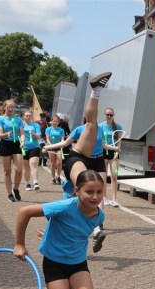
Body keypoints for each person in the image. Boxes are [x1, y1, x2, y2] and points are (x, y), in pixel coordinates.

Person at [12, 72, 112, 289]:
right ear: (77, 190)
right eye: (90, 193)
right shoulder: (68, 199)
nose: (95, 198)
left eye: (99, 193)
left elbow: (77, 229)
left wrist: (53, 231)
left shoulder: (99, 215)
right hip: (55, 264)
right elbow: (24, 212)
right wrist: (20, 244)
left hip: (77, 264)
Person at [44, 75, 113, 253]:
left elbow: (27, 212)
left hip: (74, 161)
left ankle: (96, 231)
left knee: (85, 186)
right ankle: (96, 90)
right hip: (82, 157)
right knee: (92, 125)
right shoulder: (85, 211)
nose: (95, 197)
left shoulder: (65, 209)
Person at [0, 100, 25, 202]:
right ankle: (9, 193)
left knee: (19, 170)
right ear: (4, 108)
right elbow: (0, 134)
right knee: (7, 171)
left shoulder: (18, 119)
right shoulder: (0, 119)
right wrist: (5, 134)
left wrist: (22, 141)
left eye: (12, 107)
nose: (10, 109)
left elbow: (22, 133)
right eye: (8, 107)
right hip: (5, 144)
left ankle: (16, 189)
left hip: (16, 144)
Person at [99, 108, 122, 207]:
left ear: (113, 115)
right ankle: (104, 197)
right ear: (104, 114)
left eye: (111, 115)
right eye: (107, 114)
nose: (109, 116)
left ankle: (114, 199)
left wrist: (117, 151)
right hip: (104, 152)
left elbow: (119, 141)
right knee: (103, 176)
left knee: (114, 176)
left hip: (114, 152)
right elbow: (100, 140)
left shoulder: (118, 127)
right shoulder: (101, 126)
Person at [22, 110, 43, 191]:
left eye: (29, 116)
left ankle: (35, 182)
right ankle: (28, 183)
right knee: (26, 167)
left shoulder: (36, 125)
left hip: (35, 147)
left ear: (32, 116)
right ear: (24, 117)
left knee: (33, 164)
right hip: (24, 148)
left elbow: (39, 137)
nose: (28, 117)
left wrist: (33, 133)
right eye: (26, 116)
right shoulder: (21, 125)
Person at [45, 114, 66, 185]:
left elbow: (62, 138)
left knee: (59, 162)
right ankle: (53, 178)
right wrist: (50, 145)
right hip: (51, 147)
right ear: (51, 121)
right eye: (54, 121)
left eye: (56, 121)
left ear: (58, 122)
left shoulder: (61, 130)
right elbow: (47, 138)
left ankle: (58, 176)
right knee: (53, 163)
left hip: (58, 147)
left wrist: (62, 144)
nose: (55, 122)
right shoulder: (48, 129)